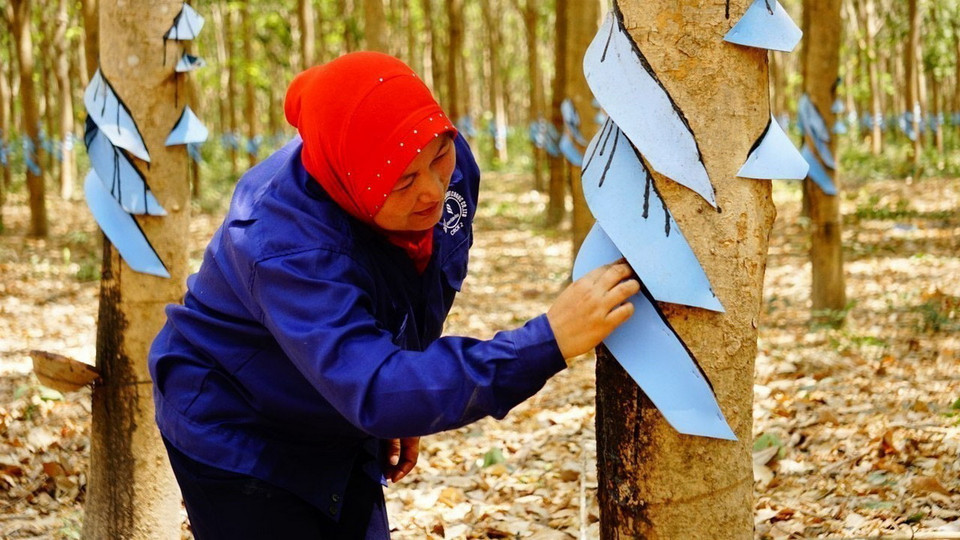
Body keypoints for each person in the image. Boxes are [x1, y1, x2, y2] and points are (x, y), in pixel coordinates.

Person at [149, 52, 638, 539]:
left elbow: (428, 283)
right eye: (402, 181)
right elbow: (375, 389)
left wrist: (410, 382)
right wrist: (547, 342)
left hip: (338, 404)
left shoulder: (447, 165)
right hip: (238, 426)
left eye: (438, 158)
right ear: (350, 183)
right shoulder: (283, 246)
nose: (431, 191)